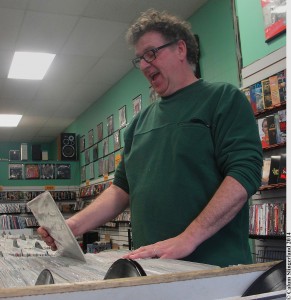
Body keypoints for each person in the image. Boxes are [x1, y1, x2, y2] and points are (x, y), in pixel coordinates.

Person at [38, 9, 263, 267]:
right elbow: (121, 190)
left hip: (214, 270)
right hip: (151, 270)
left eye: (151, 54)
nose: (144, 65)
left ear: (181, 49)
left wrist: (189, 238)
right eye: (139, 59)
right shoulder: (137, 124)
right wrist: (73, 226)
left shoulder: (223, 99)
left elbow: (245, 173)